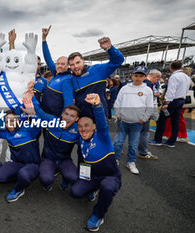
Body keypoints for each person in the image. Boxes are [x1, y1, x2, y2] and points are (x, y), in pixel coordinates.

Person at [70, 93, 121, 232]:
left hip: (110, 176)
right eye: (80, 126)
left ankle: (98, 215)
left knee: (107, 187)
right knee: (75, 192)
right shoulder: (80, 139)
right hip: (92, 176)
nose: (83, 128)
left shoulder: (102, 135)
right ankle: (93, 189)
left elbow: (101, 122)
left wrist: (98, 105)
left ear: (94, 127)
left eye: (87, 125)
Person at [21, 94, 80, 191]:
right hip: (48, 158)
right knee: (45, 179)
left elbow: (85, 142)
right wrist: (32, 97)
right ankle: (47, 184)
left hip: (65, 160)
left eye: (72, 116)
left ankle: (65, 179)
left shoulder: (78, 130)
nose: (68, 118)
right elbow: (39, 112)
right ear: (62, 114)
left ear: (76, 119)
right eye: (66, 114)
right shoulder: (52, 120)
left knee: (73, 177)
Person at [69, 37, 124, 118]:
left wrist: (110, 49)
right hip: (81, 121)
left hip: (99, 118)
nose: (75, 66)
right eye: (72, 65)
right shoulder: (71, 79)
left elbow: (118, 60)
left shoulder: (97, 70)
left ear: (83, 62)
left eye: (78, 63)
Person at [0, 110, 41, 203]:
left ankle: (18, 189)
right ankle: (22, 178)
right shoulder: (5, 133)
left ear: (18, 119)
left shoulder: (28, 129)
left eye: (12, 120)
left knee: (24, 174)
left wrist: (32, 113)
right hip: (17, 163)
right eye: (6, 122)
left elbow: (38, 123)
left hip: (32, 164)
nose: (9, 124)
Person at [113, 66, 154, 174]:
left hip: (137, 123)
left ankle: (131, 162)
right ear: (132, 75)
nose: (138, 78)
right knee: (118, 142)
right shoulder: (125, 88)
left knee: (133, 144)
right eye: (136, 75)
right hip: (123, 122)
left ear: (145, 77)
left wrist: (143, 119)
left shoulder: (147, 90)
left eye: (141, 76)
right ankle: (115, 160)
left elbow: (150, 107)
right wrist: (118, 115)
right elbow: (117, 103)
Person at [150, 61, 191, 147]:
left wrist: (166, 102)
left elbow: (171, 90)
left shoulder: (174, 76)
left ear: (171, 67)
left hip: (172, 101)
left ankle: (158, 140)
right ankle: (171, 141)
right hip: (181, 100)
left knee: (162, 120)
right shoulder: (187, 77)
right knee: (175, 122)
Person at [41, 25, 74, 117]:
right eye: (58, 63)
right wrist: (44, 39)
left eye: (63, 64)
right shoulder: (56, 74)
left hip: (54, 119)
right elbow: (48, 58)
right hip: (46, 116)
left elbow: (69, 104)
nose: (59, 66)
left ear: (68, 66)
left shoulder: (67, 80)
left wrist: (63, 121)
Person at [137, 69, 161, 160]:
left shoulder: (140, 81)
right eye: (157, 79)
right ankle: (143, 152)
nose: (157, 81)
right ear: (155, 76)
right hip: (143, 111)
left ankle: (115, 149)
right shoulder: (148, 83)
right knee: (145, 132)